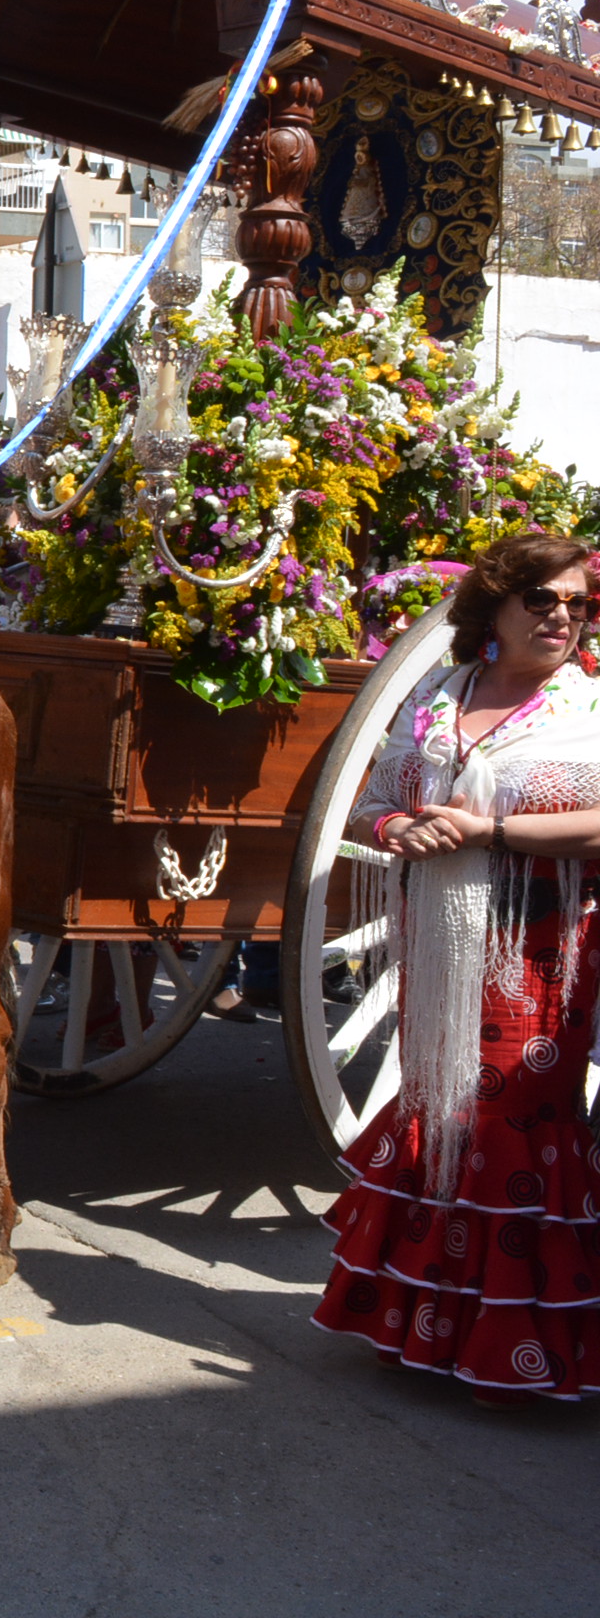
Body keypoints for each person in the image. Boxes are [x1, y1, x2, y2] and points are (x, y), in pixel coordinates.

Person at [313, 532, 600, 1404]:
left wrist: (489, 832)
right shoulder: (441, 696)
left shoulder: (585, 708)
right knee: (442, 1106)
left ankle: (515, 1351)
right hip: (440, 941)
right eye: (542, 599)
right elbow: (371, 807)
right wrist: (400, 830)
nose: (562, 616)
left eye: (577, 603)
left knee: (514, 1115)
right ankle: (431, 1331)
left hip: (541, 951)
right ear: (498, 607)